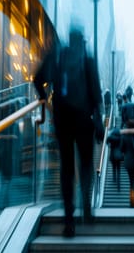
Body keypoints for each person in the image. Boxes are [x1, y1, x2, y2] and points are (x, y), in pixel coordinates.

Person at [34, 25, 104, 238]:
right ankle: (87, 207)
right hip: (84, 119)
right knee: (85, 164)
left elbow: (37, 79)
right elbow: (96, 91)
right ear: (82, 39)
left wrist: (46, 101)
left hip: (62, 118)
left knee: (66, 168)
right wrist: (98, 119)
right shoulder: (88, 57)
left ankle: (69, 220)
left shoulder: (56, 54)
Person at [120, 129, 134, 208]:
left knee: (131, 180)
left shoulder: (124, 137)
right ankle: (133, 197)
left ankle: (131, 197)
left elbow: (121, 149)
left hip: (128, 162)